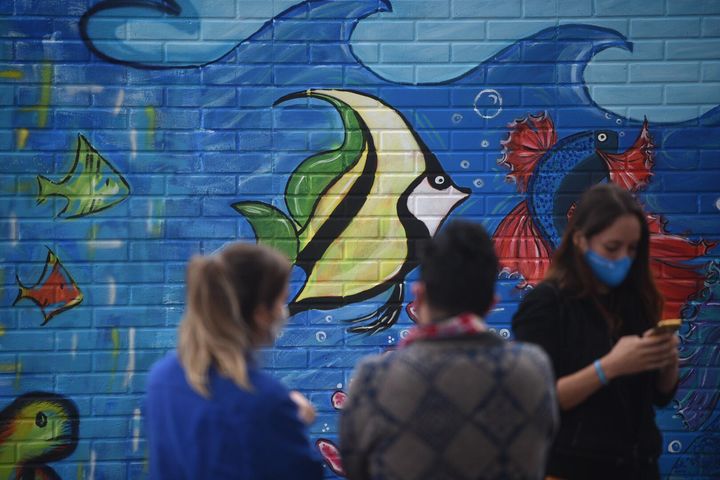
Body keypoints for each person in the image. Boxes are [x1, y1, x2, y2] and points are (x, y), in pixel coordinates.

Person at [339, 221, 558, 480]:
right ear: (491, 304)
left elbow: (355, 468)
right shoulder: (533, 370)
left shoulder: (375, 379)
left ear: (419, 298)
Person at [512, 184, 679, 480]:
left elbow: (658, 397)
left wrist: (667, 362)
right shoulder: (547, 304)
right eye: (612, 248)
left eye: (632, 249)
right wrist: (609, 367)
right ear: (580, 240)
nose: (623, 258)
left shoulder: (635, 301)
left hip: (638, 465)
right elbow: (538, 401)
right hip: (571, 467)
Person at [145, 243, 323, 479]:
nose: (284, 313)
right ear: (261, 314)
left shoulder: (160, 380)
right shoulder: (265, 400)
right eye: (281, 302)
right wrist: (296, 421)